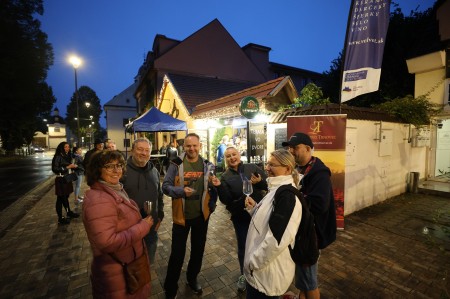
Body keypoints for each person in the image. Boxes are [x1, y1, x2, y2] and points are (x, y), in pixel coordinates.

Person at [82, 150, 154, 298]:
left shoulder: (114, 189)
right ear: (97, 170)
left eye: (119, 165)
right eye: (109, 166)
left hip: (126, 268)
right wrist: (143, 227)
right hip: (116, 276)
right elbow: (107, 242)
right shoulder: (99, 199)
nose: (116, 170)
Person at [282, 132, 337, 299]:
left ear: (307, 148)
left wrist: (295, 197)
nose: (291, 151)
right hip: (303, 232)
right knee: (304, 280)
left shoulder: (319, 173)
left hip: (312, 234)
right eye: (290, 148)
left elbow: (320, 205)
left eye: (295, 148)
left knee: (309, 280)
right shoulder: (299, 169)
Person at [162, 133, 217, 299]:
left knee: (198, 251)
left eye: (195, 145)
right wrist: (180, 192)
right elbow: (165, 187)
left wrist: (212, 205)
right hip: (181, 218)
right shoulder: (176, 163)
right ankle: (170, 287)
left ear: (200, 146)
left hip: (201, 217)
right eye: (188, 146)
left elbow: (212, 189)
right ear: (183, 147)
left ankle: (192, 278)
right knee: (177, 254)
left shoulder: (208, 165)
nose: (191, 149)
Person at [243, 149, 302, 298]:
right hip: (262, 273)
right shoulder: (276, 189)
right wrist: (255, 209)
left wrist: (252, 263)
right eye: (268, 164)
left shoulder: (287, 197)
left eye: (272, 165)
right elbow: (271, 220)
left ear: (287, 168)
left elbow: (277, 240)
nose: (267, 168)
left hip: (266, 276)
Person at [211, 146, 268, 292]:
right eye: (228, 156)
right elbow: (226, 201)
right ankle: (244, 275)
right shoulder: (224, 177)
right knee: (244, 246)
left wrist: (260, 182)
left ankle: (260, 273)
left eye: (234, 154)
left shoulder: (252, 167)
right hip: (240, 217)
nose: (232, 158)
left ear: (239, 154)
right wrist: (219, 187)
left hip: (259, 214)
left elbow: (267, 184)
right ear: (226, 159)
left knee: (262, 244)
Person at [120, 138, 164, 264]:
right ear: (132, 150)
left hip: (151, 227)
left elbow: (159, 195)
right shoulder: (122, 172)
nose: (143, 153)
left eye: (147, 150)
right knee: (131, 266)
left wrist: (160, 214)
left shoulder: (154, 171)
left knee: (148, 263)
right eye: (140, 149)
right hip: (130, 229)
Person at [51, 142, 80, 224]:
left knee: (64, 197)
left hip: (67, 178)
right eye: (65, 147)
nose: (67, 148)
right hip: (61, 179)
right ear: (61, 148)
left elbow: (69, 165)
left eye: (68, 147)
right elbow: (55, 169)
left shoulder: (67, 156)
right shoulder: (58, 156)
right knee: (61, 198)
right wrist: (67, 167)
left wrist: (73, 166)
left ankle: (68, 212)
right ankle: (60, 218)